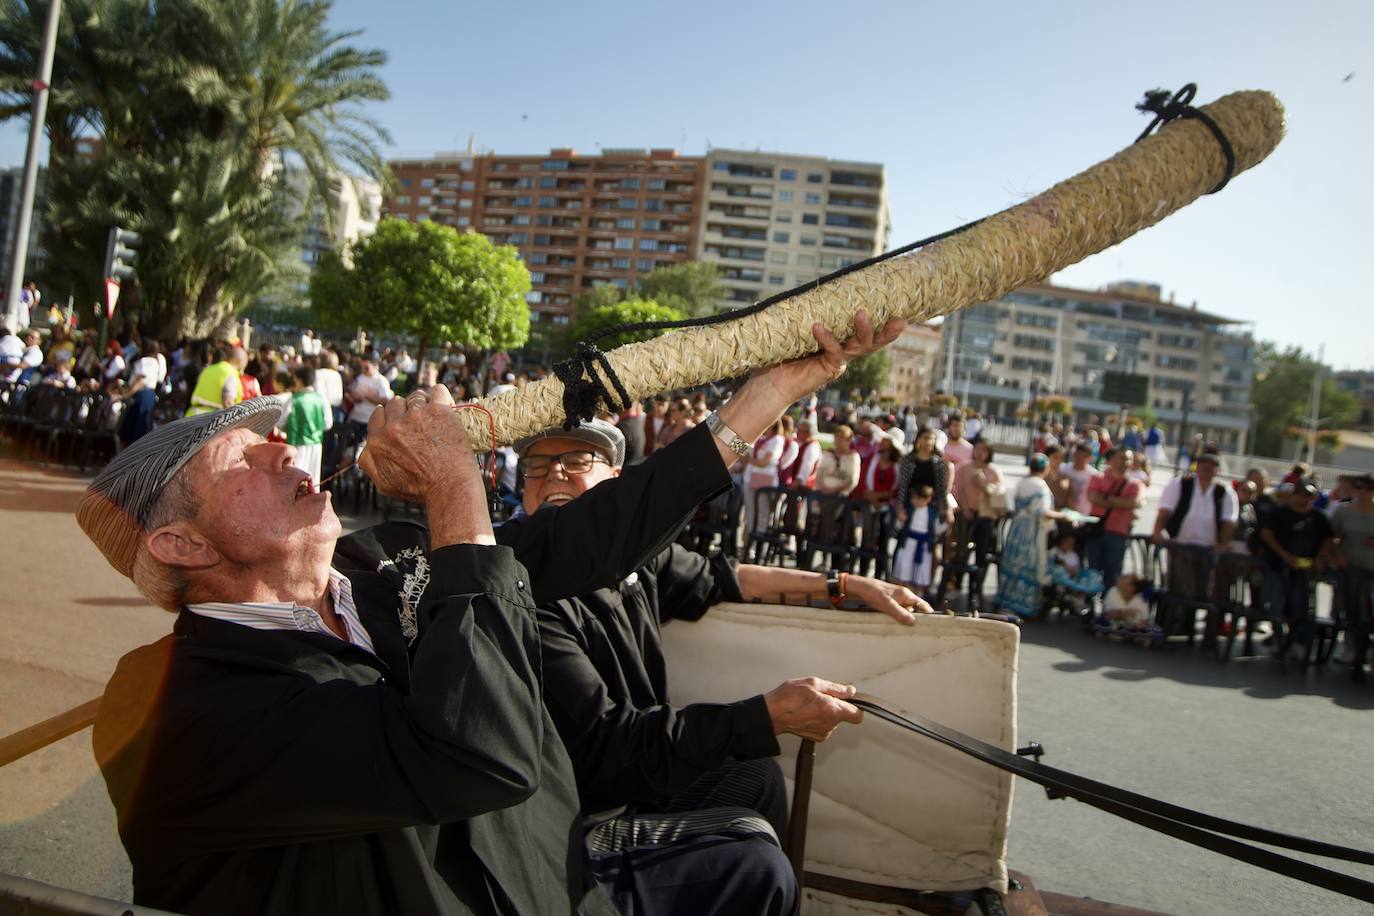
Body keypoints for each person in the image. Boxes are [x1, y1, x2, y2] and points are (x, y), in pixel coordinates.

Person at [80, 310, 904, 916]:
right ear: (180, 546)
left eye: (276, 438)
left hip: (547, 868)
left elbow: (579, 539)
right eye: (245, 459)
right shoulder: (167, 705)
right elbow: (478, 754)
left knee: (749, 855)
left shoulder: (372, 567)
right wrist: (452, 485)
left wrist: (766, 396)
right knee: (752, 870)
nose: (286, 449)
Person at [523, 417, 925, 916]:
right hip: (570, 825)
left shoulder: (632, 561)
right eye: (536, 466)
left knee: (757, 777)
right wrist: (764, 716)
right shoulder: (523, 592)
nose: (554, 475)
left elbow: (725, 578)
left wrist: (843, 584)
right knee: (758, 866)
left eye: (577, 461)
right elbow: (611, 748)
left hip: (631, 784)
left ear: (618, 485)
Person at [1151, 451, 1238, 635]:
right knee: (1178, 586)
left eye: (1211, 466)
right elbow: (1165, 510)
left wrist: (1222, 544)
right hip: (1181, 544)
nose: (1206, 469)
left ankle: (1188, 627)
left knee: (1201, 589)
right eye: (1203, 465)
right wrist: (1157, 531)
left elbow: (1229, 520)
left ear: (1217, 470)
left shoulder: (1224, 491)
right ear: (1196, 467)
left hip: (1207, 549)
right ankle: (1170, 625)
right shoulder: (1181, 484)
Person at [1258, 479, 1334, 662]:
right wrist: (1284, 556)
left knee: (1301, 607)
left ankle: (1297, 642)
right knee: (1277, 603)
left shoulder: (1319, 517)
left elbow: (1329, 540)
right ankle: (1278, 638)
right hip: (1278, 566)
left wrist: (1321, 557)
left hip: (1305, 572)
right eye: (1301, 494)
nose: (1304, 498)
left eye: (1309, 495)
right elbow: (1266, 535)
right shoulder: (1279, 513)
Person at [996, 453, 1067, 618]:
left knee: (1014, 562)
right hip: (1032, 531)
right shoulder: (1040, 486)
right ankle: (1023, 605)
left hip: (1017, 529)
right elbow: (1042, 512)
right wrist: (1064, 516)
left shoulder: (1022, 482)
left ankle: (1006, 601)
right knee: (1029, 564)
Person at [950, 439, 1005, 600]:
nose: (980, 453)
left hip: (985, 517)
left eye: (984, 450)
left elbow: (998, 493)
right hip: (966, 515)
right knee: (960, 549)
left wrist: (983, 483)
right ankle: (957, 581)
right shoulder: (964, 468)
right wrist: (965, 507)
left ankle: (977, 586)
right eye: (978, 449)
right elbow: (959, 490)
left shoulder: (994, 471)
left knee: (982, 549)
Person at [1331, 473, 1374, 680]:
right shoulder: (1343, 510)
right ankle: (1350, 647)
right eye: (1360, 488)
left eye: (1369, 489)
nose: (1364, 493)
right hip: (1349, 570)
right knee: (1351, 609)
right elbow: (1330, 538)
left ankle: (1366, 650)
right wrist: (1336, 555)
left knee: (1368, 614)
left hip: (1371, 571)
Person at [1086, 446, 1145, 588]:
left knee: (1113, 575)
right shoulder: (1097, 477)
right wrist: (1121, 501)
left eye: (1128, 459)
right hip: (1096, 531)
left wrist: (1105, 497)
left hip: (1118, 534)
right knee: (1091, 571)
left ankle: (1108, 605)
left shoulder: (1135, 484)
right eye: (1121, 458)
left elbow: (1132, 502)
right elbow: (1093, 497)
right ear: (1111, 460)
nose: (1125, 462)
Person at [283, 366, 333, 484]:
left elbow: (282, 421)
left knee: (297, 476)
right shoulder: (322, 399)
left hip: (297, 443)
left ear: (299, 380)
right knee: (313, 476)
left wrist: (289, 429)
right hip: (316, 444)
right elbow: (328, 423)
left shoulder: (294, 400)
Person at [893, 484, 940, 596]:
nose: (914, 501)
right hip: (909, 543)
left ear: (927, 499)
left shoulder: (932, 513)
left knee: (921, 570)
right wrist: (900, 520)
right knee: (905, 567)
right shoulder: (909, 510)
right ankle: (901, 593)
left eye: (918, 498)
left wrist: (947, 523)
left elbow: (936, 529)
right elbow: (898, 527)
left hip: (923, 545)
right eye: (913, 498)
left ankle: (919, 594)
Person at [185, 344, 243, 416]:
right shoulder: (231, 373)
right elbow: (228, 402)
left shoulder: (208, 369)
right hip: (211, 419)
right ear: (239, 361)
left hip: (192, 416)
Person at [346, 355, 392, 440]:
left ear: (374, 366)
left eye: (366, 367)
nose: (363, 369)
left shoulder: (381, 381)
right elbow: (352, 392)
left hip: (369, 420)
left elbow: (385, 401)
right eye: (362, 366)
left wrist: (367, 396)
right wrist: (353, 396)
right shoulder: (360, 377)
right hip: (355, 417)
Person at [815, 424, 860, 498]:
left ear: (849, 440)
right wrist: (823, 488)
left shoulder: (853, 457)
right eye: (836, 437)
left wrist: (834, 490)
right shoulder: (829, 454)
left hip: (841, 495)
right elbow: (819, 474)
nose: (838, 440)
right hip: (822, 492)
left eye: (842, 437)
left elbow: (852, 480)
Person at [1063, 443, 1099, 516]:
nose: (1079, 458)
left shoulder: (1094, 475)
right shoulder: (1064, 469)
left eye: (1084, 456)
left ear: (1089, 458)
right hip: (1065, 511)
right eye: (1077, 455)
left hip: (1086, 513)